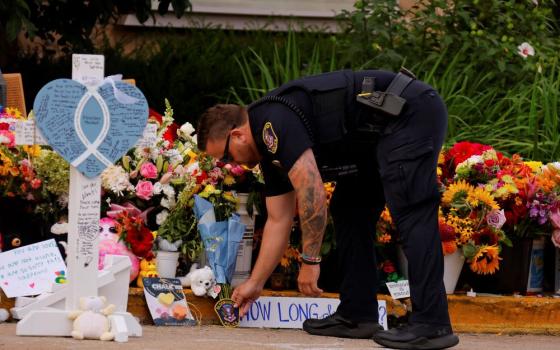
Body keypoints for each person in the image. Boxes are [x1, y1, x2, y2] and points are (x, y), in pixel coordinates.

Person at [196, 68, 459, 350]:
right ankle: (357, 315)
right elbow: (278, 219)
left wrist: (310, 261)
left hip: (409, 113)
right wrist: (255, 283)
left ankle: (432, 324)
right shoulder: (268, 151)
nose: (229, 165)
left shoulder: (272, 122)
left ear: (237, 135)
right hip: (375, 136)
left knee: (412, 210)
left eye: (225, 156)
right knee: (350, 208)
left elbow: (312, 192)